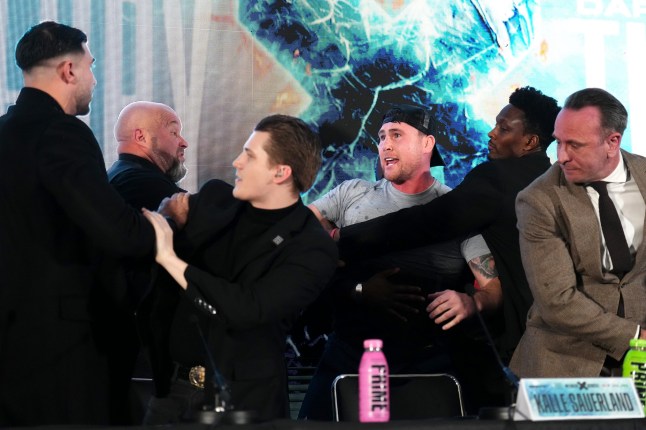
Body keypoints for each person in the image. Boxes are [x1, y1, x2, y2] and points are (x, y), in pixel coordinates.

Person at [298, 104, 503, 420]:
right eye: (381, 137)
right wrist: (358, 285)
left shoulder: (455, 209)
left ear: (427, 144)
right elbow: (299, 230)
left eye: (396, 135)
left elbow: (493, 287)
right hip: (348, 355)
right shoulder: (353, 193)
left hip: (426, 363)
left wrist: (470, 302)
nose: (385, 145)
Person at [336, 87, 561, 369]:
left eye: (503, 129)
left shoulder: (496, 178)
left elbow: (427, 222)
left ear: (529, 142)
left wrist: (341, 239)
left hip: (520, 338)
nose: (492, 133)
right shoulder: (555, 181)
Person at [0, 21, 154, 426]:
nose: (94, 78)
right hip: (63, 345)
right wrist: (162, 221)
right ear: (69, 71)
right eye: (91, 66)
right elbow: (117, 231)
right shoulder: (63, 132)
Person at [139, 114, 338, 423]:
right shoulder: (214, 198)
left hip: (243, 403)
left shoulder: (312, 247)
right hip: (170, 392)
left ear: (281, 173)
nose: (236, 162)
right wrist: (167, 222)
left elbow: (248, 309)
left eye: (249, 155)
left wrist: (169, 257)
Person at [509, 88, 646, 377]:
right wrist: (638, 338)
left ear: (612, 142)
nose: (562, 156)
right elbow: (557, 301)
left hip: (639, 369)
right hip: (566, 362)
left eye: (575, 145)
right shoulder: (538, 200)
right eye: (558, 142)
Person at [105, 101, 189, 424]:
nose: (183, 142)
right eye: (173, 132)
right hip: (145, 350)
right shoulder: (142, 182)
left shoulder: (124, 176)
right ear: (141, 136)